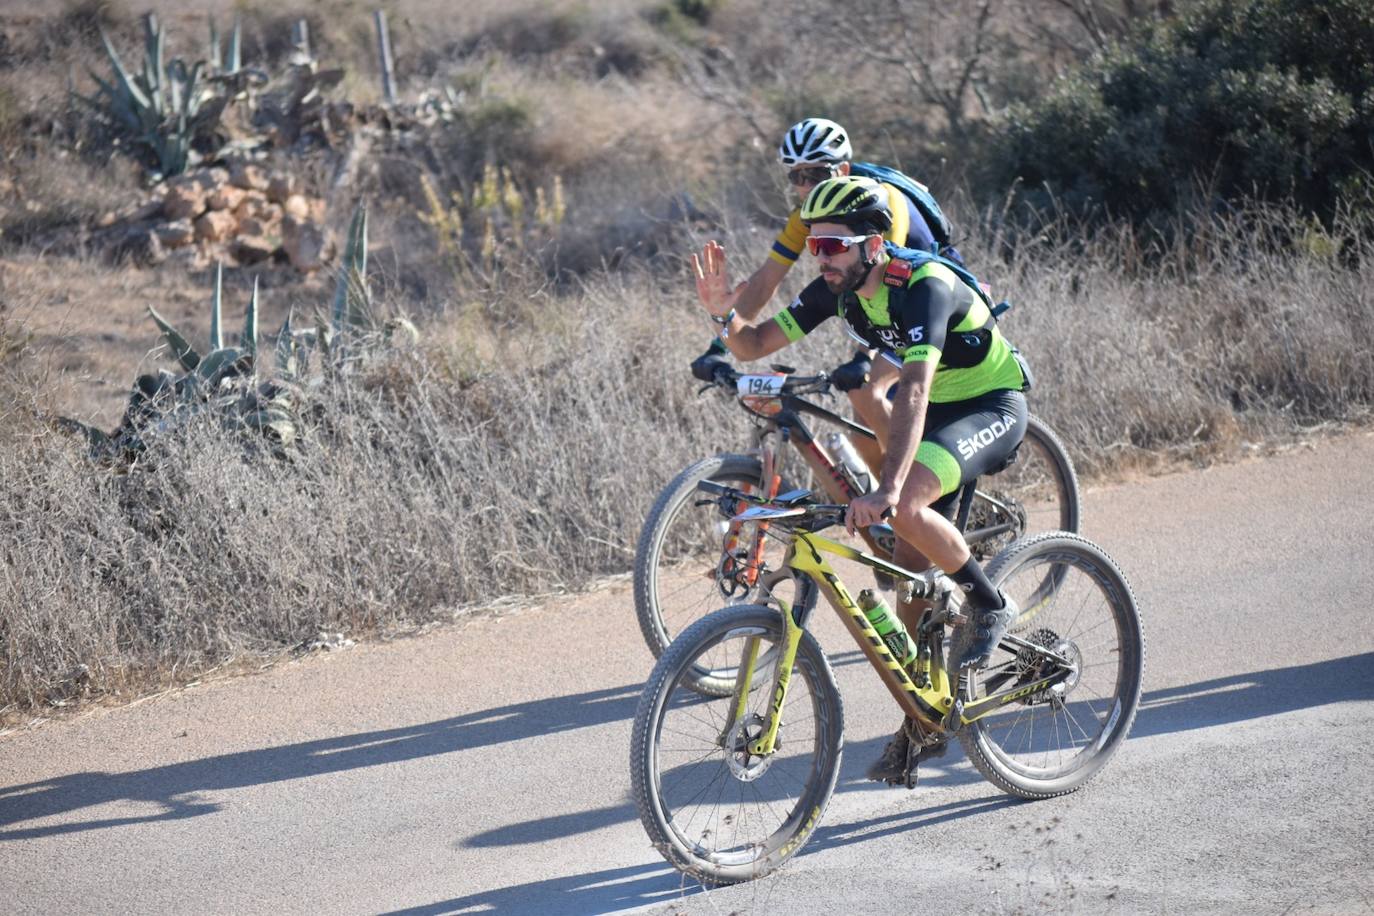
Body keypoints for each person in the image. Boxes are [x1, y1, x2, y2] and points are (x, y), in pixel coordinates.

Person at [691, 175, 1028, 785]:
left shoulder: (923, 285)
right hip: (939, 413)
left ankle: (990, 605)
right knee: (909, 575)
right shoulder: (837, 290)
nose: (820, 258)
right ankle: (927, 719)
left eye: (833, 246)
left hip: (989, 404)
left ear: (874, 243)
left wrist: (889, 487)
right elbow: (753, 344)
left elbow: (916, 390)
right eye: (815, 246)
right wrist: (722, 310)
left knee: (906, 511)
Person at [692, 117, 954, 473]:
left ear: (843, 169)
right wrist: (721, 339)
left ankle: (920, 495)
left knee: (869, 389)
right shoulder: (808, 216)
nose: (804, 186)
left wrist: (864, 354)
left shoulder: (881, 201)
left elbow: (880, 272)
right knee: (862, 431)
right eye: (795, 177)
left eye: (814, 174)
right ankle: (888, 518)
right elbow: (767, 280)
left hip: (929, 301)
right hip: (884, 310)